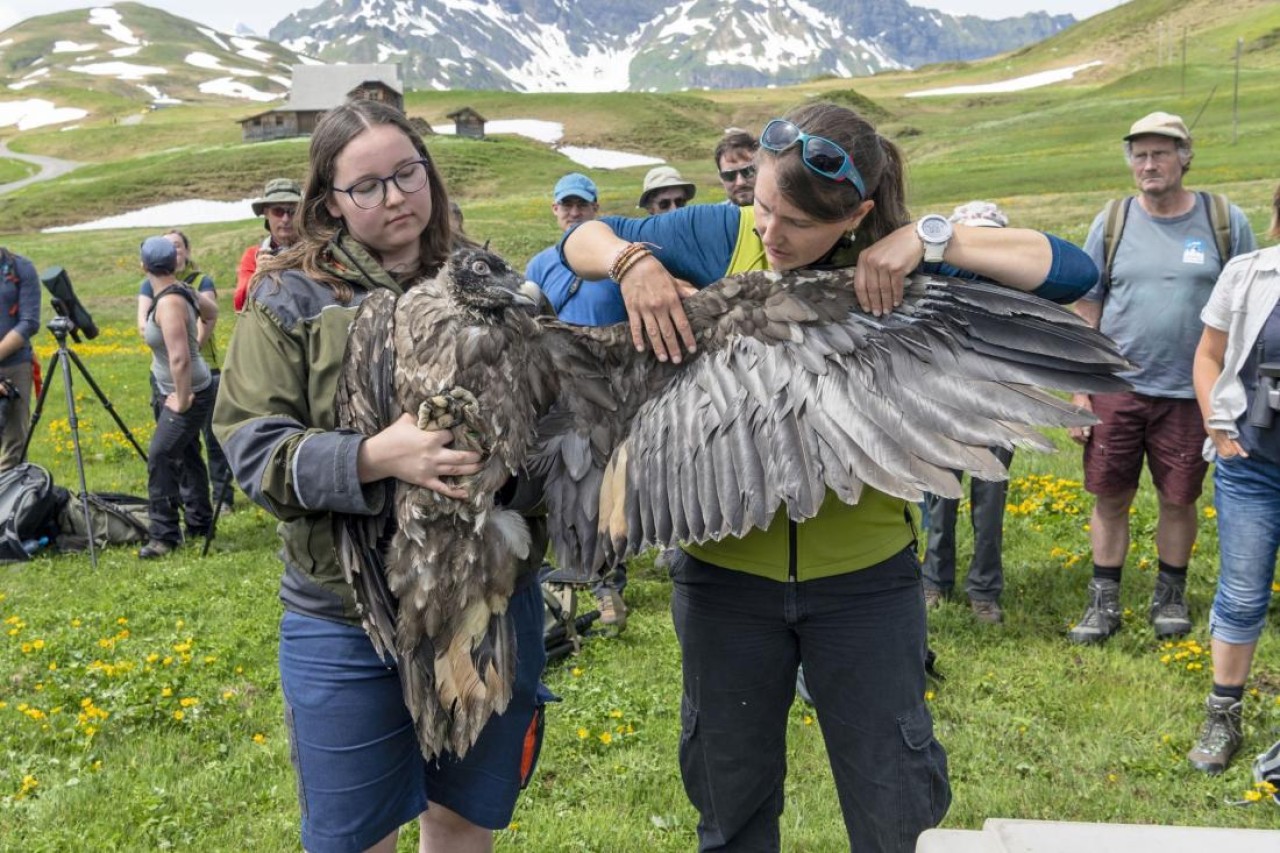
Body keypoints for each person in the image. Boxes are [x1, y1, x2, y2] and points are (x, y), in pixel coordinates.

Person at [560, 102, 1098, 853]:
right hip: (723, 588)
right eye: (764, 205)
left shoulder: (898, 259)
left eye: (797, 225)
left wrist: (932, 238)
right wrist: (631, 259)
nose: (771, 234)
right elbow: (569, 245)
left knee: (894, 806)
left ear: (857, 219)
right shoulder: (723, 233)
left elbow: (1075, 269)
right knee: (730, 802)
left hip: (866, 586)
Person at [213, 99, 550, 853]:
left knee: (465, 819)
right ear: (327, 200)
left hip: (485, 603)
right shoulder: (289, 297)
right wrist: (375, 457)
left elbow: (553, 435)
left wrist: (509, 479)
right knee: (353, 836)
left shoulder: (490, 281)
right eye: (367, 185)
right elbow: (252, 447)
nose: (395, 196)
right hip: (344, 614)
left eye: (407, 173)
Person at [1066, 111, 1256, 645]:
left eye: (1160, 153)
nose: (1149, 164)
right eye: (1139, 154)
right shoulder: (1113, 220)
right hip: (1117, 388)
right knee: (1109, 495)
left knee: (1179, 498)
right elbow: (1089, 305)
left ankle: (1169, 594)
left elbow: (1250, 301)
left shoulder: (1224, 219)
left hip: (1194, 394)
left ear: (1184, 157)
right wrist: (1080, 386)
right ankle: (1104, 600)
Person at [1185, 184, 1280, 774]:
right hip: (1252, 462)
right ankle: (1223, 714)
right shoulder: (1249, 273)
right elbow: (1208, 355)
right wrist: (1218, 426)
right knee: (1243, 593)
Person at [525, 172, 629, 629]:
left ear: (595, 210)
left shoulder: (617, 259)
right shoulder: (539, 266)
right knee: (562, 483)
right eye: (565, 205)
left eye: (581, 205)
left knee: (609, 487)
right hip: (558, 391)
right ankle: (564, 582)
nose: (573, 212)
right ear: (554, 210)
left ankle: (608, 587)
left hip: (613, 389)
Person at [921, 201, 1014, 624]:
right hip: (944, 405)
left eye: (989, 235)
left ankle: (984, 590)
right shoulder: (935, 285)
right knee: (939, 497)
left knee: (989, 501)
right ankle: (934, 582)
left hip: (998, 408)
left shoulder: (1016, 290)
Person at [136, 230, 233, 515]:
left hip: (185, 389)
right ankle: (199, 517)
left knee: (160, 455)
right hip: (178, 383)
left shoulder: (168, 301)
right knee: (187, 452)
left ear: (144, 266)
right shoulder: (183, 290)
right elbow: (212, 313)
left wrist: (182, 398)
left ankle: (164, 533)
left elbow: (179, 358)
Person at [233, 178, 302, 313]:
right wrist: (259, 275)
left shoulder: (315, 250)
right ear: (266, 213)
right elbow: (239, 304)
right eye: (278, 211)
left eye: (292, 211)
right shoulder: (253, 255)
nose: (285, 219)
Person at [0, 247, 40, 471]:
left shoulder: (21, 267)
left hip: (15, 365)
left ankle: (7, 501)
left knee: (14, 447)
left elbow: (29, 321)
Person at [715, 127, 759, 207]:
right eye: (729, 175)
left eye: (748, 171)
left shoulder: (786, 213)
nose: (740, 182)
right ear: (720, 177)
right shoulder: (716, 218)